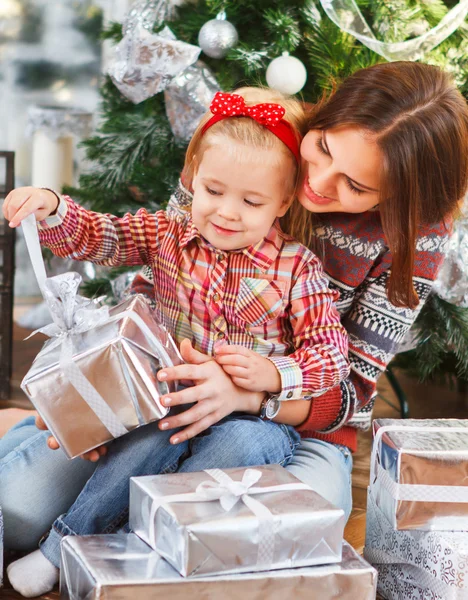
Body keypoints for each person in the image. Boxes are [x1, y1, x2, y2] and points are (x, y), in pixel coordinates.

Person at [2, 60, 467, 595]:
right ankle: (27, 437)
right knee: (17, 509)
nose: (317, 181)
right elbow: (140, 262)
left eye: (356, 185)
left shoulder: (375, 246)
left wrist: (252, 391)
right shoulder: (249, 137)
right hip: (159, 398)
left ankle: (110, 565)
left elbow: (346, 382)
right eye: (322, 152)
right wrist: (94, 400)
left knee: (253, 541)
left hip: (293, 427)